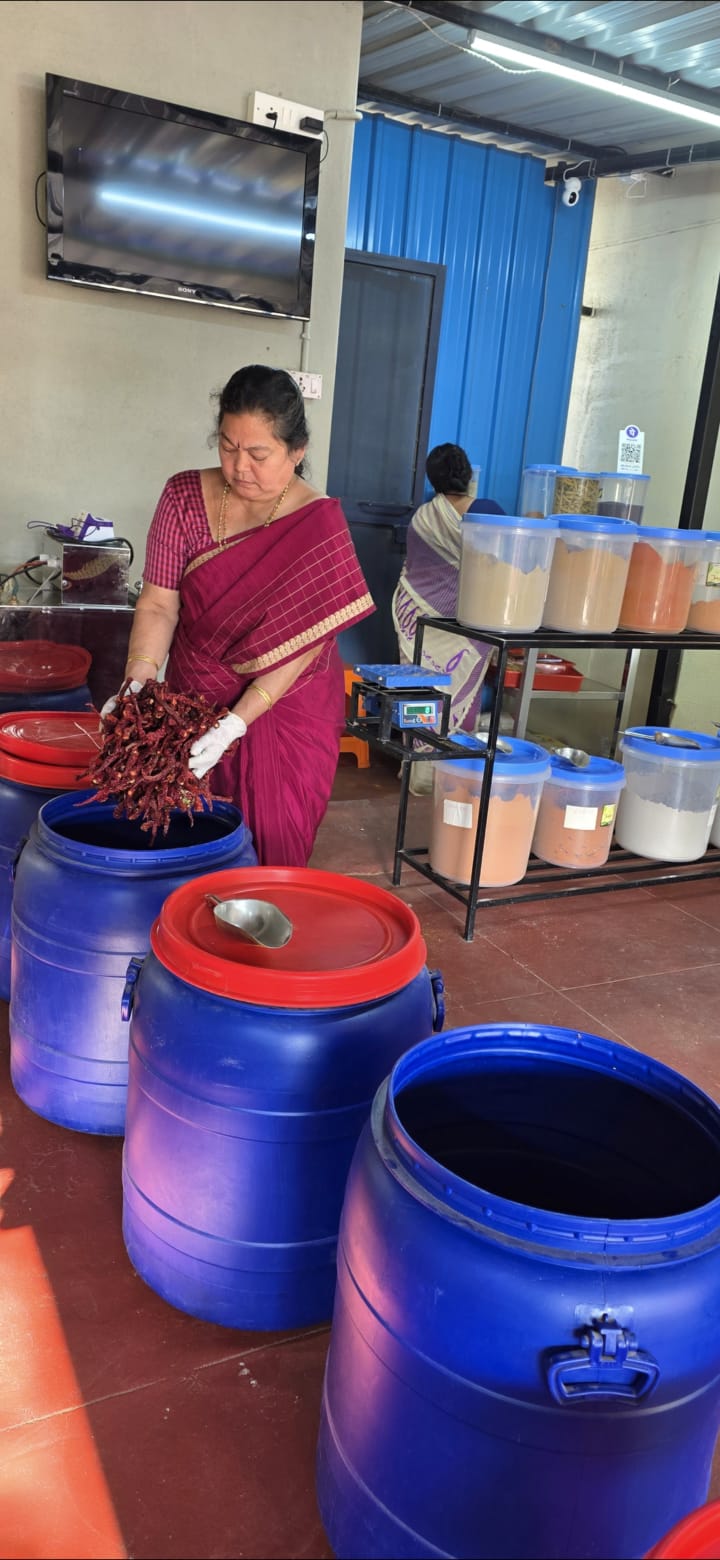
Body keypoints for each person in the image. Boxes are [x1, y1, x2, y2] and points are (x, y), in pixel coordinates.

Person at [104, 366, 374, 866]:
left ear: (298, 451)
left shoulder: (319, 526)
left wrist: (235, 724)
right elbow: (160, 602)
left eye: (258, 454)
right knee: (187, 838)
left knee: (271, 845)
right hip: (192, 700)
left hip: (285, 707)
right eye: (228, 447)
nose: (239, 467)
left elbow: (302, 647)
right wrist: (138, 680)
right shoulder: (183, 497)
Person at [392, 443, 502, 735]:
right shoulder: (486, 512)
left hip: (420, 619)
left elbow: (415, 570)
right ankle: (454, 768)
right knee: (462, 687)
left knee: (419, 687)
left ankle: (415, 764)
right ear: (467, 474)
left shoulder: (423, 517)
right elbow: (504, 568)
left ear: (433, 479)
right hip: (463, 623)